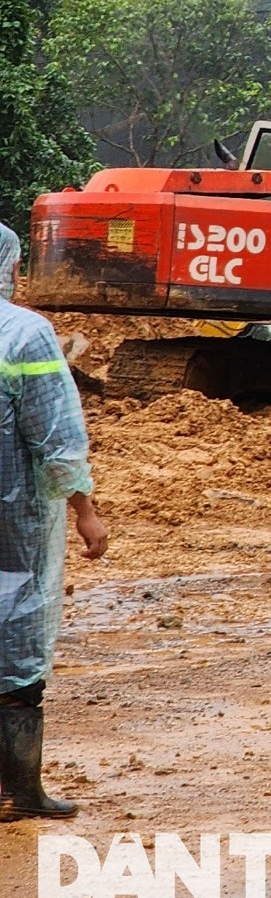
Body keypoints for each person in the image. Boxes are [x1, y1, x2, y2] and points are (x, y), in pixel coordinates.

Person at [0, 220, 109, 821]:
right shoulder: (24, 333)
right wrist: (85, 510)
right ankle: (18, 790)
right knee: (15, 639)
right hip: (14, 518)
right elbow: (56, 436)